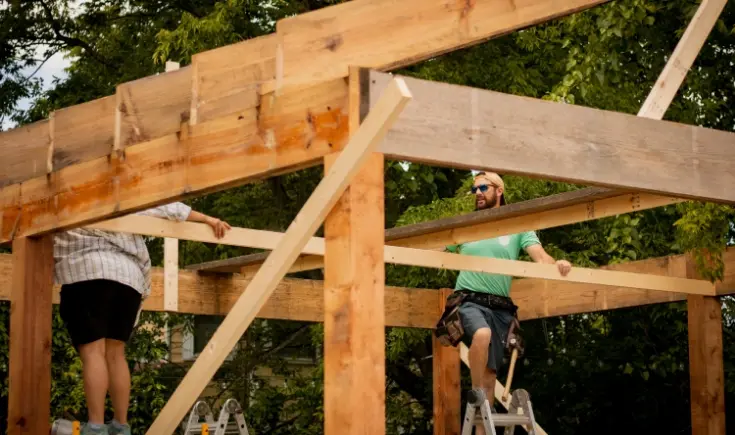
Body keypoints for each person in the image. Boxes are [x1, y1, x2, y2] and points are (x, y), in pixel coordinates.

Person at [54, 202, 232, 435]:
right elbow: (168, 207)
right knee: (116, 354)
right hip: (129, 279)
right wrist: (209, 219)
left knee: (93, 353)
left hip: (87, 271)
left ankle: (95, 427)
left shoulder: (72, 194)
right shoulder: (124, 196)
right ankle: (121, 425)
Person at [445, 172, 572, 417]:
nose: (478, 193)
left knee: (491, 375)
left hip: (500, 307)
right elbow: (437, 245)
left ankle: (482, 425)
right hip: (469, 298)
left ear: (499, 191)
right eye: (475, 190)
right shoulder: (467, 225)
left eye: (483, 187)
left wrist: (559, 264)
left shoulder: (518, 225)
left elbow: (541, 257)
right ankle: (476, 395)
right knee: (481, 335)